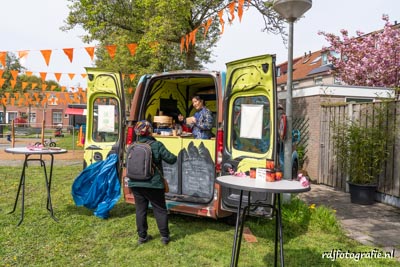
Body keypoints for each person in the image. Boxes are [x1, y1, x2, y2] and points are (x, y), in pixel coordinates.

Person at [128, 120, 177, 245]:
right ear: (150, 131)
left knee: (140, 210)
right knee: (160, 209)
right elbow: (171, 159)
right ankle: (165, 237)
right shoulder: (157, 145)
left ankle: (142, 237)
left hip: (135, 183)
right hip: (153, 183)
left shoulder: (132, 146)